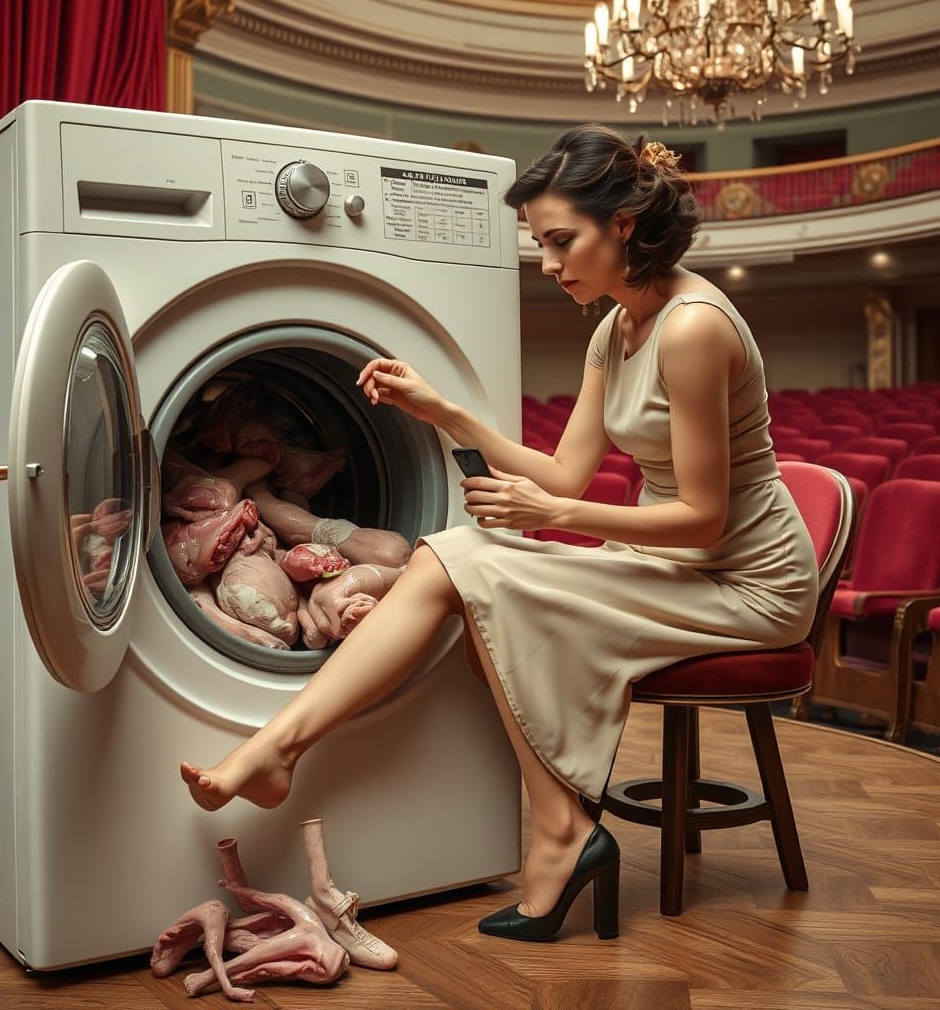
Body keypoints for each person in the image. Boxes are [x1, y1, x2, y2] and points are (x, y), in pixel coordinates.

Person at [180, 124, 818, 943]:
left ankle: (539, 824)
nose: (549, 264)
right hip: (673, 564)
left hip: (744, 582)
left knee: (467, 563)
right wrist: (440, 410)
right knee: (466, 558)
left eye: (561, 241)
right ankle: (309, 758)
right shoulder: (612, 326)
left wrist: (553, 519)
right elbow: (563, 474)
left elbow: (701, 519)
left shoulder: (693, 327)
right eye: (540, 243)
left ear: (623, 224)